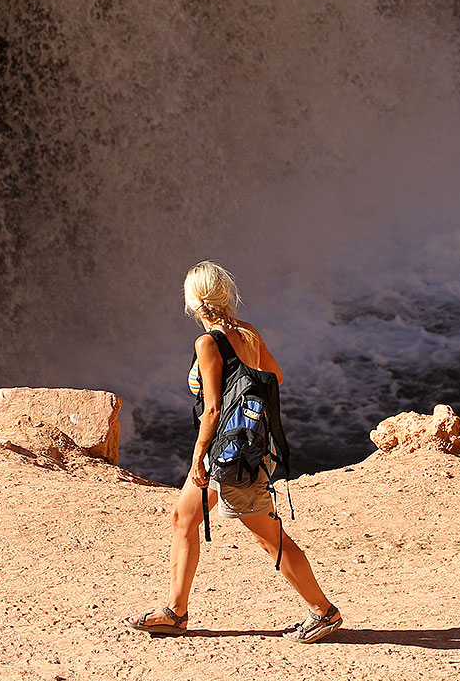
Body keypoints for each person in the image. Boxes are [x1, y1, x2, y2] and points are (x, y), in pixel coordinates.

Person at [126, 260, 342, 643]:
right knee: (183, 517)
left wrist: (198, 455)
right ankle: (175, 612)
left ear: (194, 301)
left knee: (268, 536)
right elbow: (274, 376)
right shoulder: (248, 333)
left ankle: (323, 611)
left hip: (228, 453)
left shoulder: (208, 343)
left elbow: (210, 408)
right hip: (242, 445)